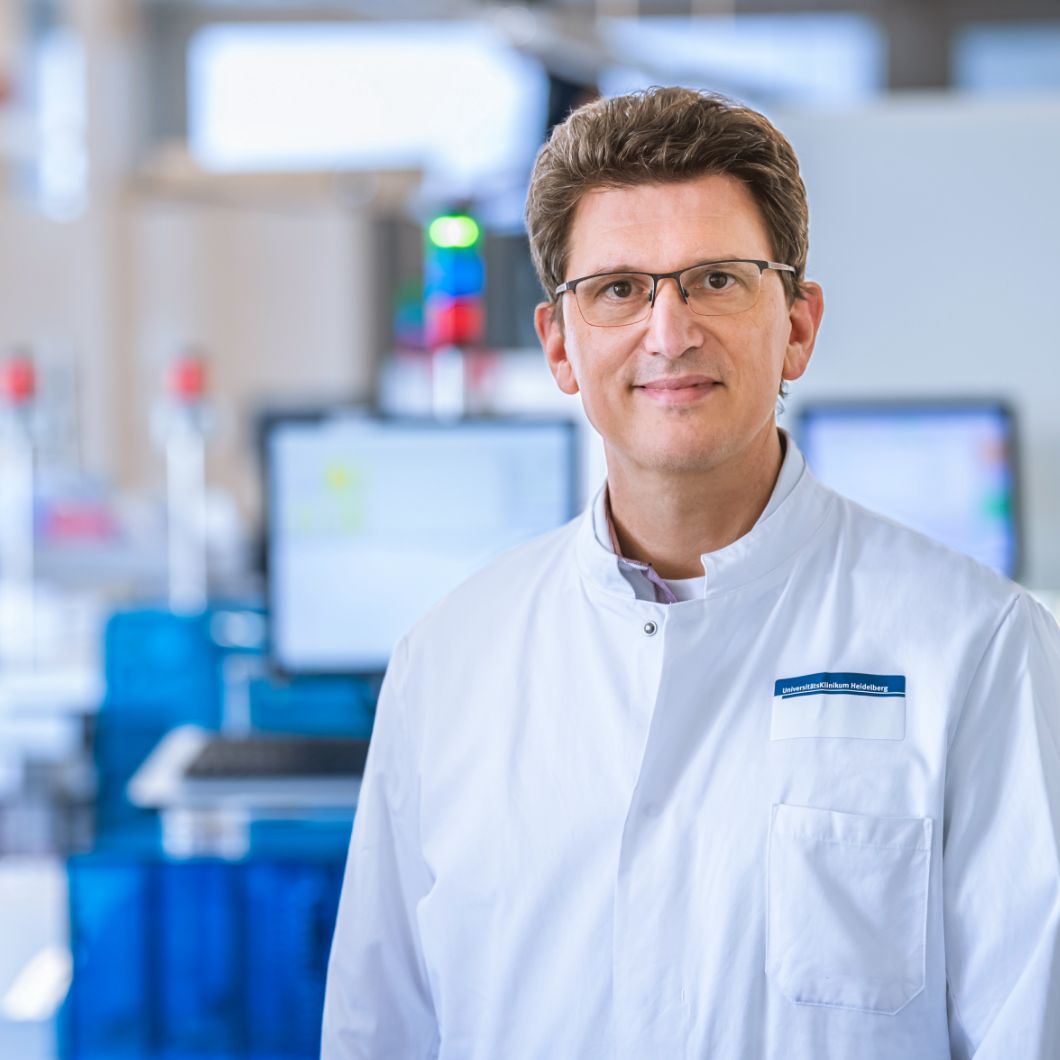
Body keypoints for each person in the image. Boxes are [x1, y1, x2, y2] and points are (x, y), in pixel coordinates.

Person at [321, 87, 1060, 1059]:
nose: (669, 333)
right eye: (618, 289)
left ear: (797, 325)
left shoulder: (977, 647)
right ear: (559, 345)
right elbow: (379, 1030)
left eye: (715, 279)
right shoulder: (449, 661)